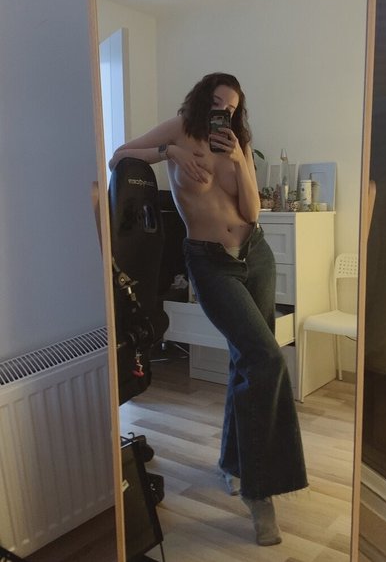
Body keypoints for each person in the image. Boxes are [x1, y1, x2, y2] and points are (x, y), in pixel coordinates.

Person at [109, 72, 308, 546]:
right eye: (218, 103)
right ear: (203, 98)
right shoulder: (179, 129)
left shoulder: (238, 143)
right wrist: (169, 154)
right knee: (266, 358)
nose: (225, 113)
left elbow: (252, 213)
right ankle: (260, 493)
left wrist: (239, 160)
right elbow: (119, 156)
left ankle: (234, 463)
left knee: (247, 360)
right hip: (210, 263)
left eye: (232, 109)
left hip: (254, 256)